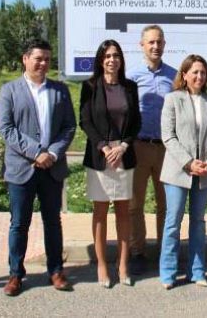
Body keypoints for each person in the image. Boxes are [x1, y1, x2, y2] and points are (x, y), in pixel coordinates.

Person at [0, 39, 76, 296]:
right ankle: (15, 274)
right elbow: (6, 129)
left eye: (47, 60)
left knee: (53, 221)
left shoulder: (60, 90)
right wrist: (36, 152)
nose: (43, 64)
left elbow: (69, 127)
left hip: (52, 168)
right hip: (22, 168)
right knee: (19, 223)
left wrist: (52, 152)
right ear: (25, 59)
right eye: (38, 58)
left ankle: (55, 271)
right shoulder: (9, 90)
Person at [80, 40, 141, 288]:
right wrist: (105, 148)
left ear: (121, 59)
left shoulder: (130, 87)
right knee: (101, 213)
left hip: (124, 156)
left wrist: (123, 146)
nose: (111, 60)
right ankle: (103, 264)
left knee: (124, 212)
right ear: (100, 60)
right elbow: (85, 121)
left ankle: (123, 263)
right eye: (107, 56)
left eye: (116, 55)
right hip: (100, 157)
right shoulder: (90, 86)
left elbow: (136, 122)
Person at [159, 55, 207, 289]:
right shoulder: (172, 99)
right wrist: (188, 162)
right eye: (194, 72)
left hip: (205, 171)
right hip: (178, 171)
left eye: (203, 72)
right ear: (184, 75)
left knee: (198, 222)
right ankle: (168, 273)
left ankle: (197, 271)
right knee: (173, 222)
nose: (199, 76)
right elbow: (168, 136)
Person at [127, 25, 177, 274]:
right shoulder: (132, 76)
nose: (155, 46)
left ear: (164, 44)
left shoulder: (175, 76)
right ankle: (138, 252)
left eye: (159, 42)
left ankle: (164, 251)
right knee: (135, 205)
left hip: (167, 149)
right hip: (138, 146)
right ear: (142, 45)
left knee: (165, 205)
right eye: (150, 42)